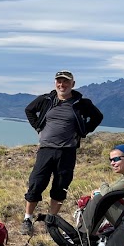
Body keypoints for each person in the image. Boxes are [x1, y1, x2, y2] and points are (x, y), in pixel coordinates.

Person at [21, 70, 104, 234]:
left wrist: (84, 131)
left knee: (60, 186)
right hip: (46, 149)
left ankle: (51, 220)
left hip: (67, 151)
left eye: (65, 82)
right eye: (59, 81)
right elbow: (29, 110)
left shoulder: (81, 103)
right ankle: (27, 219)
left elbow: (97, 117)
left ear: (72, 84)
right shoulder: (46, 100)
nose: (62, 85)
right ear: (55, 83)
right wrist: (38, 126)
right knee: (36, 183)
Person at [80, 144, 124, 233]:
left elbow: (108, 192)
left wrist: (102, 184)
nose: (112, 163)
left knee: (100, 199)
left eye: (116, 159)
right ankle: (85, 235)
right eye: (111, 160)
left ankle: (82, 236)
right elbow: (112, 190)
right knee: (99, 196)